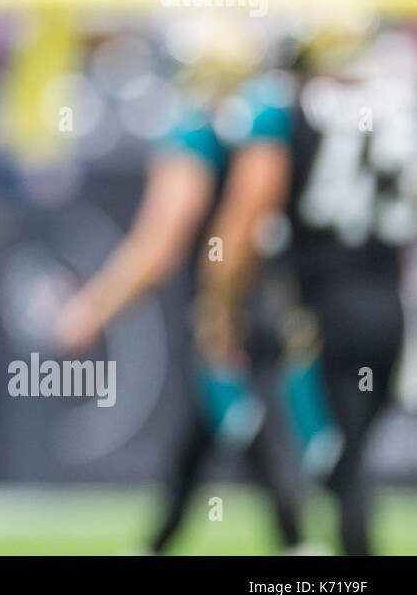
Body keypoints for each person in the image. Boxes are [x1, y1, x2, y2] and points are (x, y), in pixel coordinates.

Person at [57, 60, 306, 554]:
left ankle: (296, 543)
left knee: (240, 415)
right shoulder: (270, 119)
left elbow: (163, 241)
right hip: (277, 290)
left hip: (231, 300)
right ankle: (163, 541)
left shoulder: (199, 128)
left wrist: (98, 306)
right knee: (208, 422)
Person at [196, 28, 415, 554]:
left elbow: (246, 216)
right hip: (388, 304)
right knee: (350, 452)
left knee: (336, 457)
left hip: (321, 308)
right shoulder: (397, 104)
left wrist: (218, 303)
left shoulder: (284, 107)